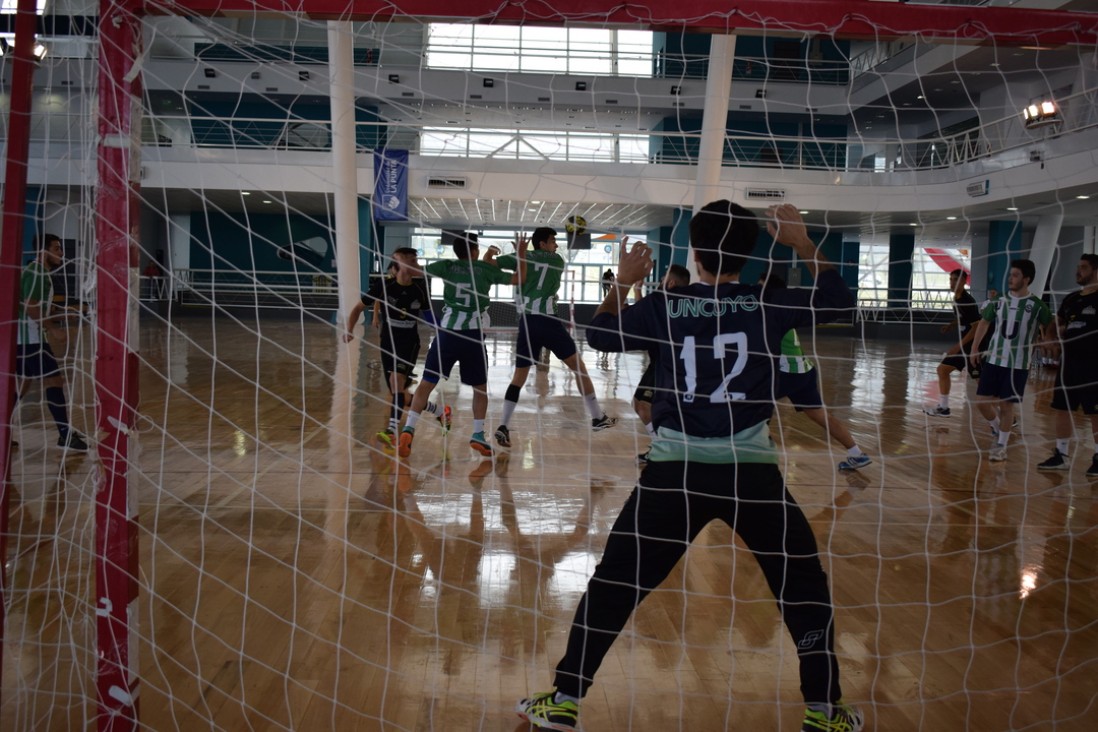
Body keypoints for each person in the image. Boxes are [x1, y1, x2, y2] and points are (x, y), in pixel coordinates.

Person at [515, 202, 862, 732]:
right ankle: (824, 710)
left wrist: (624, 282)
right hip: (752, 474)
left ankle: (564, 698)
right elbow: (839, 299)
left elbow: (601, 335)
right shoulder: (769, 300)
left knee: (615, 583)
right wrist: (802, 243)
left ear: (694, 253)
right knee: (803, 586)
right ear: (749, 253)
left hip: (673, 473)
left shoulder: (663, 304)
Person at [399, 233, 524, 458]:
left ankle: (409, 427)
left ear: (456, 251)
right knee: (480, 389)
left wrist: (405, 262)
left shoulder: (447, 266)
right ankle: (477, 434)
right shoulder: (484, 270)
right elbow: (519, 279)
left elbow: (414, 273)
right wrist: (521, 254)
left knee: (426, 384)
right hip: (473, 337)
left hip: (447, 334)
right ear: (475, 250)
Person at [492, 226, 615, 449]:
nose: (556, 245)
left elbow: (493, 264)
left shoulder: (522, 257)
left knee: (519, 377)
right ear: (542, 244)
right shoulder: (558, 261)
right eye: (552, 241)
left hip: (527, 322)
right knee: (579, 368)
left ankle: (503, 425)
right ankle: (597, 417)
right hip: (548, 322)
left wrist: (493, 254)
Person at [762, 273, 871, 471]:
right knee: (821, 416)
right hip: (804, 372)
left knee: (753, 407)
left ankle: (756, 456)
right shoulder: (782, 312)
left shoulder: (770, 313)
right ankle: (856, 453)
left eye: (760, 287)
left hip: (786, 373)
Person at [343, 248, 449, 448]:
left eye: (416, 261)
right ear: (399, 263)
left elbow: (428, 316)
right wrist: (349, 330)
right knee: (397, 392)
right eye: (411, 260)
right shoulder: (384, 285)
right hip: (387, 341)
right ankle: (439, 411)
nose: (416, 265)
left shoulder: (419, 287)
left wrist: (444, 330)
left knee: (396, 382)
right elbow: (358, 307)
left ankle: (391, 431)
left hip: (409, 343)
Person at [968, 259, 1054, 462]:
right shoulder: (999, 301)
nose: (1010, 279)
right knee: (982, 402)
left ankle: (1001, 446)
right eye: (1010, 274)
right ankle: (998, 429)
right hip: (994, 360)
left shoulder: (1037, 306)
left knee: (1007, 406)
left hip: (1018, 365)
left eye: (1015, 275)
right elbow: (984, 322)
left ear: (1027, 279)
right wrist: (974, 348)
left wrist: (1047, 340)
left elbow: (1049, 329)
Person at [15, 234, 89, 451]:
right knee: (54, 382)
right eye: (57, 249)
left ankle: (3, 431)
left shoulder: (39, 272)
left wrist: (63, 312)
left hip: (24, 339)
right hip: (31, 339)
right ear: (43, 251)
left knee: (21, 385)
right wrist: (54, 329)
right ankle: (65, 434)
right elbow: (30, 306)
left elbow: (38, 305)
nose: (61, 254)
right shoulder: (37, 271)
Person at [1036, 254, 1098, 476]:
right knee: (1062, 409)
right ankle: (1061, 455)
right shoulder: (1071, 299)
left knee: (1095, 413)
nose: (1078, 271)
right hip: (1068, 363)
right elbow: (1056, 323)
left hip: (1094, 366)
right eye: (1078, 266)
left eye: (1083, 267)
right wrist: (1050, 337)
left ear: (1095, 270)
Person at [633, 263, 691, 464]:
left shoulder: (664, 302)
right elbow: (645, 317)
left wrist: (635, 290)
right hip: (662, 362)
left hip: (666, 365)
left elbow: (642, 317)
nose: (659, 282)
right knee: (640, 404)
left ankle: (663, 450)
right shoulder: (683, 304)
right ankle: (663, 447)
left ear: (671, 283)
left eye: (663, 278)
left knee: (644, 407)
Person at [924, 269, 984, 417]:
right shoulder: (957, 299)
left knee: (983, 385)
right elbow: (962, 318)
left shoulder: (967, 301)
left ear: (964, 282)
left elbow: (976, 326)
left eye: (955, 279)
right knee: (942, 370)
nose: (952, 282)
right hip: (964, 347)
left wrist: (958, 346)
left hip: (973, 348)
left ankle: (1008, 415)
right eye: (950, 279)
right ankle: (943, 408)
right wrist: (951, 325)